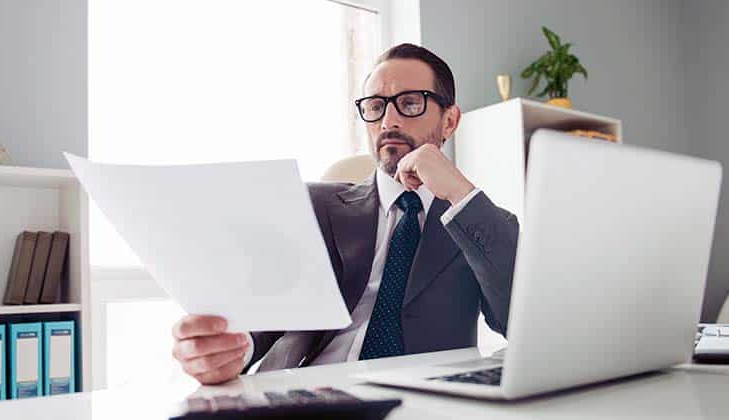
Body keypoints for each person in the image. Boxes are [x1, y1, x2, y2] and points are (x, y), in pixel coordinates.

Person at [171, 43, 519, 385]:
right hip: (311, 396)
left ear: (450, 121)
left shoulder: (483, 222)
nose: (388, 121)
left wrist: (459, 191)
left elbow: (521, 323)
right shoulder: (314, 205)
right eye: (375, 106)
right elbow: (265, 314)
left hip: (426, 401)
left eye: (410, 103)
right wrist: (232, 350)